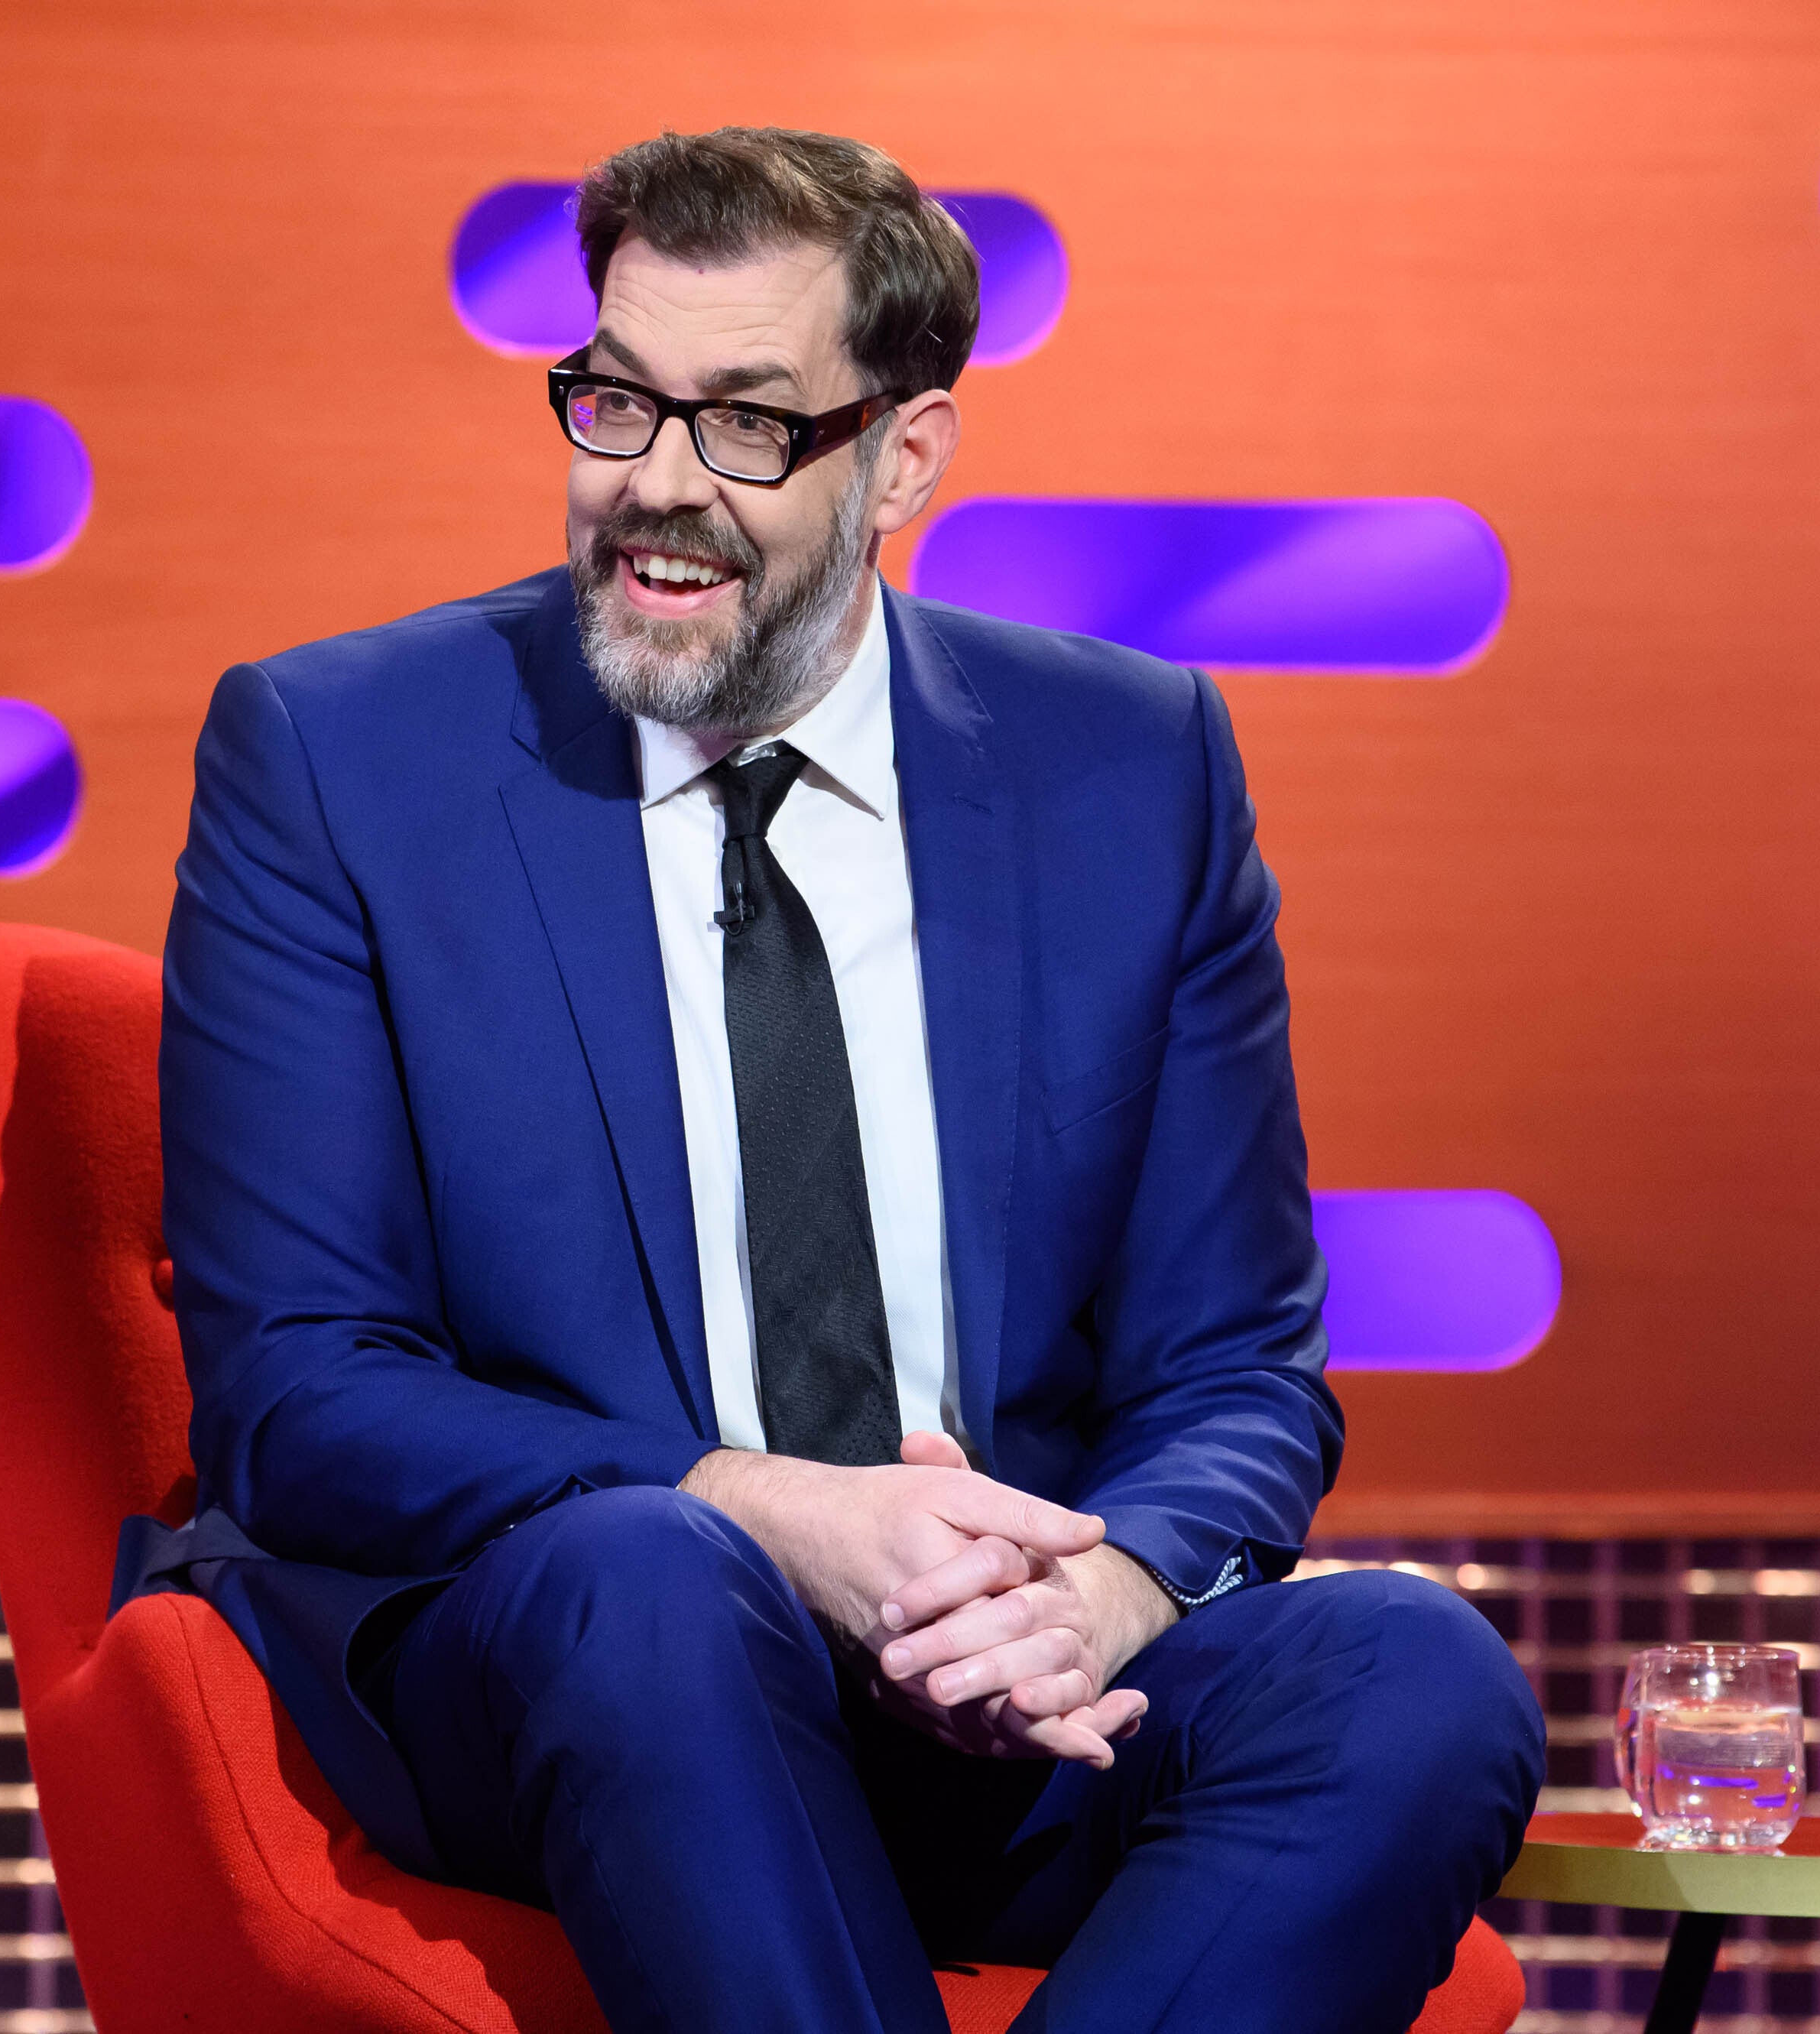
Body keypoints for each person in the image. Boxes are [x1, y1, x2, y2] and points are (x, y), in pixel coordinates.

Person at [123, 126, 1543, 2034]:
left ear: (907, 456)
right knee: (650, 1573)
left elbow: (1235, 1365)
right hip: (574, 1670)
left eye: (744, 425)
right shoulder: (336, 756)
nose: (652, 486)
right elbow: (296, 1387)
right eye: (616, 400)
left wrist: (1097, 1589)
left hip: (1001, 1688)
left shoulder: (1130, 768)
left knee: (1414, 1667)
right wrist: (763, 1509)